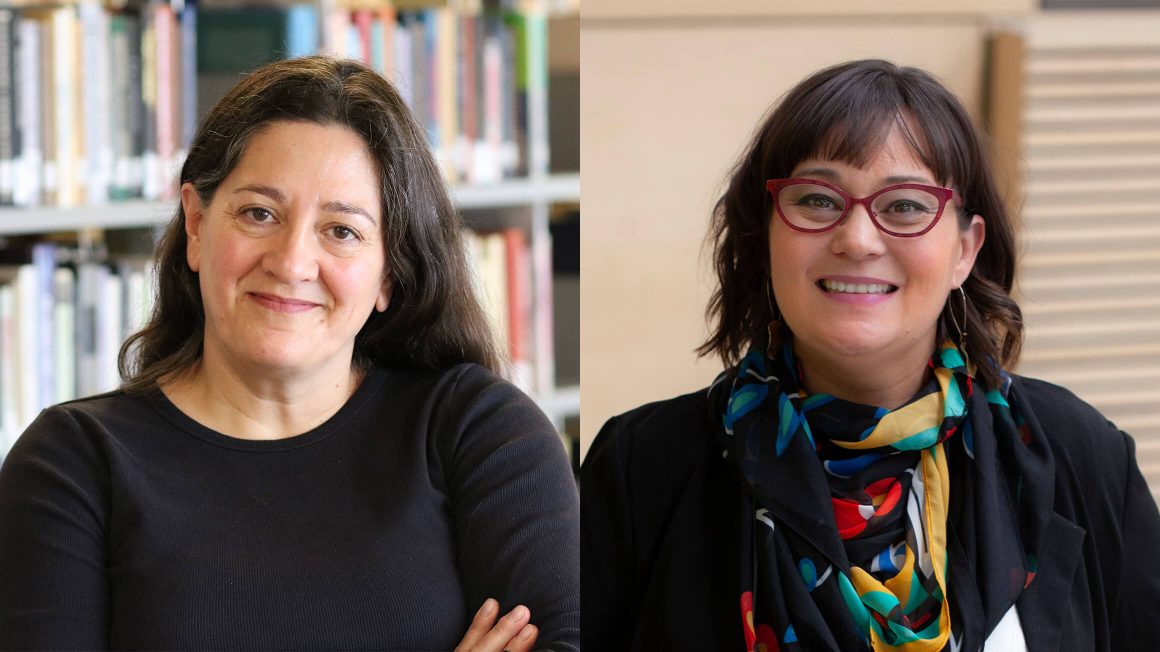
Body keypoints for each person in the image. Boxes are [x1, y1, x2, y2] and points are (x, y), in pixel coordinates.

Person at [0, 56, 579, 652]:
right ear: (197, 226)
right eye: (259, 214)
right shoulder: (72, 465)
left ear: (389, 272)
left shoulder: (479, 433)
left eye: (342, 230)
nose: (292, 263)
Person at [581, 59, 1160, 651]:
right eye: (817, 199)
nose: (857, 238)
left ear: (965, 250)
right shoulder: (640, 470)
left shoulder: (1081, 456)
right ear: (765, 237)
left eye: (905, 205)